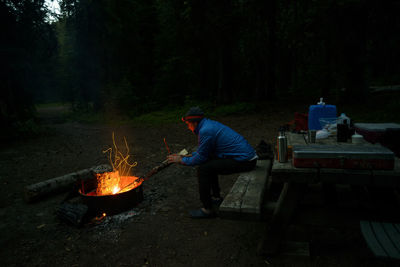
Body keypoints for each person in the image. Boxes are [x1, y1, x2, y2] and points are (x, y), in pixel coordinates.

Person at [167, 106, 258, 218]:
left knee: (204, 169)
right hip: (246, 158)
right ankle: (216, 198)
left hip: (246, 161)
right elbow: (205, 152)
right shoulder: (208, 125)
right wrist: (188, 155)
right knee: (209, 163)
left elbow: (201, 158)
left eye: (188, 124)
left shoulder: (206, 131)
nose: (188, 127)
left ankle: (207, 209)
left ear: (194, 123)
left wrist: (181, 160)